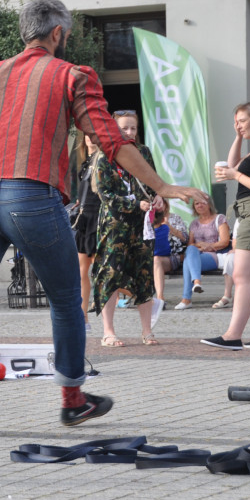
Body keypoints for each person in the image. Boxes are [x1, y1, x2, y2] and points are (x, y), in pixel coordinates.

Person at [0, 0, 205, 437]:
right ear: (57, 34)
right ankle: (72, 400)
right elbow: (112, 141)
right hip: (31, 198)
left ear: (23, 33)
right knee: (67, 299)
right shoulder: (71, 75)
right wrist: (161, 186)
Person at [91, 110, 166, 346]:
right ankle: (108, 332)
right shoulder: (105, 155)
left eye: (133, 128)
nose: (130, 132)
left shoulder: (143, 152)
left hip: (141, 225)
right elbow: (106, 195)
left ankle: (147, 331)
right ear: (115, 129)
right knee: (110, 274)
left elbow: (154, 182)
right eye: (125, 128)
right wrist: (134, 203)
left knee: (144, 275)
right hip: (114, 226)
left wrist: (158, 198)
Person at [203, 102, 250, 349]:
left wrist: (236, 176)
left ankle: (232, 335)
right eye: (236, 122)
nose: (238, 125)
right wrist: (238, 137)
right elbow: (232, 164)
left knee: (241, 275)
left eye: (242, 121)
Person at [175, 197, 229, 309]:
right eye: (196, 203)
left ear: (209, 204)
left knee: (187, 262)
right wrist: (199, 245)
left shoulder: (219, 218)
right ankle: (197, 282)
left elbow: (225, 241)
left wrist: (209, 246)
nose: (199, 205)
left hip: (215, 255)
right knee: (190, 251)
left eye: (202, 202)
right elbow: (190, 245)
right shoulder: (194, 223)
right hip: (197, 255)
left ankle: (186, 299)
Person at [71, 133, 101, 331]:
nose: (91, 138)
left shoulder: (103, 160)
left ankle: (143, 296)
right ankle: (83, 319)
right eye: (88, 135)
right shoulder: (85, 162)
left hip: (99, 217)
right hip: (84, 217)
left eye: (95, 135)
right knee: (82, 272)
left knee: (104, 272)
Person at [151, 199, 188, 304]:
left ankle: (160, 297)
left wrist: (169, 226)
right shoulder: (149, 219)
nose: (158, 206)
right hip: (152, 255)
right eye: (155, 204)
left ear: (165, 204)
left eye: (160, 203)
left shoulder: (175, 218)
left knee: (156, 260)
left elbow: (184, 238)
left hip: (173, 256)